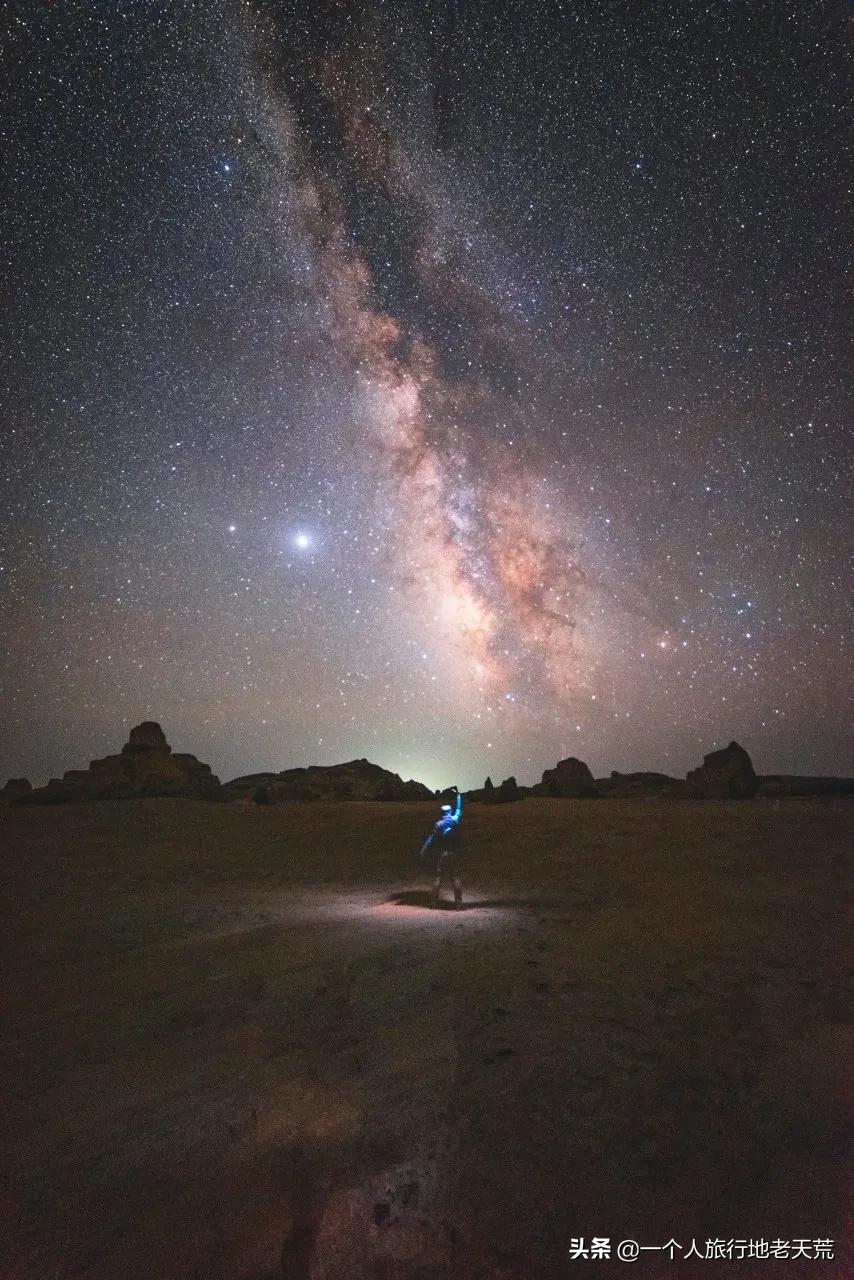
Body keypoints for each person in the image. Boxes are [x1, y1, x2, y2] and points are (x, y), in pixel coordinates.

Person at [419, 789, 463, 908]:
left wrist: (424, 850)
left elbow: (432, 839)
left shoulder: (438, 824)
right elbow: (459, 810)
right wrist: (459, 797)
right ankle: (458, 903)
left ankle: (433, 903)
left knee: (438, 878)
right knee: (455, 877)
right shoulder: (454, 820)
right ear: (450, 811)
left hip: (442, 854)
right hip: (453, 853)